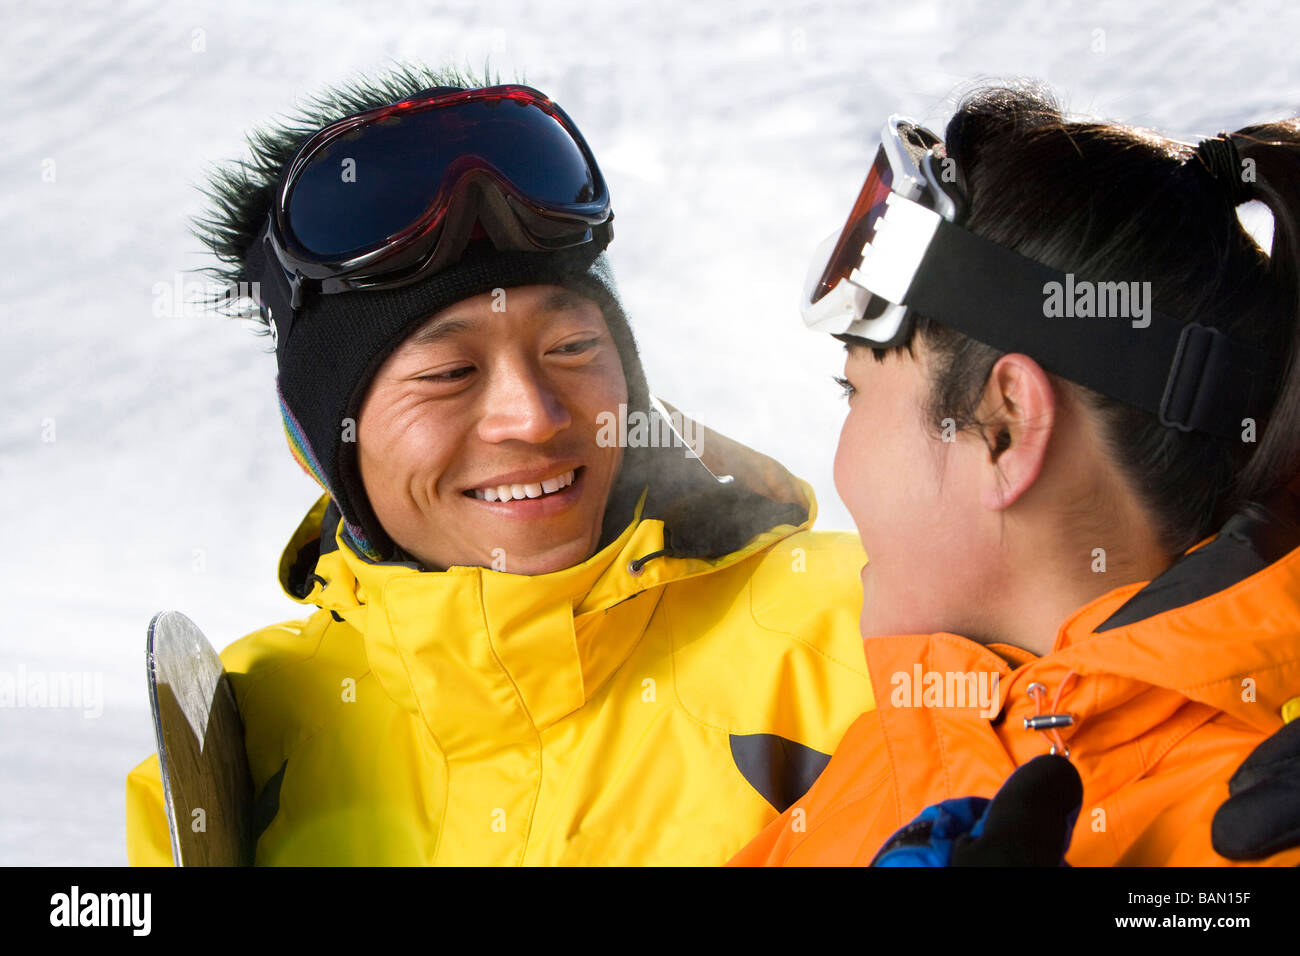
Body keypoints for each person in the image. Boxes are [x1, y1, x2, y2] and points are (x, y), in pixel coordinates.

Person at [124, 65, 875, 865]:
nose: (534, 417)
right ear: (320, 440)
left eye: (573, 349)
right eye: (449, 375)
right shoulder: (244, 733)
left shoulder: (859, 633)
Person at [729, 83, 1300, 866]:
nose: (839, 463)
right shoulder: (878, 771)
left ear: (1006, 427)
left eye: (853, 390)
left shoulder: (1257, 830)